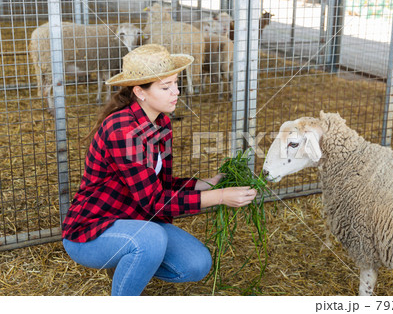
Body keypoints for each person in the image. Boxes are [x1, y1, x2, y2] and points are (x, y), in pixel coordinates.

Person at [61, 44, 257, 296]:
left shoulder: (160, 120)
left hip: (137, 219)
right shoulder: (123, 130)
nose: (176, 92)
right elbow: (155, 202)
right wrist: (220, 197)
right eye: (165, 87)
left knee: (197, 264)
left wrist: (208, 183)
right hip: (93, 231)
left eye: (176, 83)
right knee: (150, 239)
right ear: (140, 92)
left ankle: (129, 261)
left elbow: (159, 184)